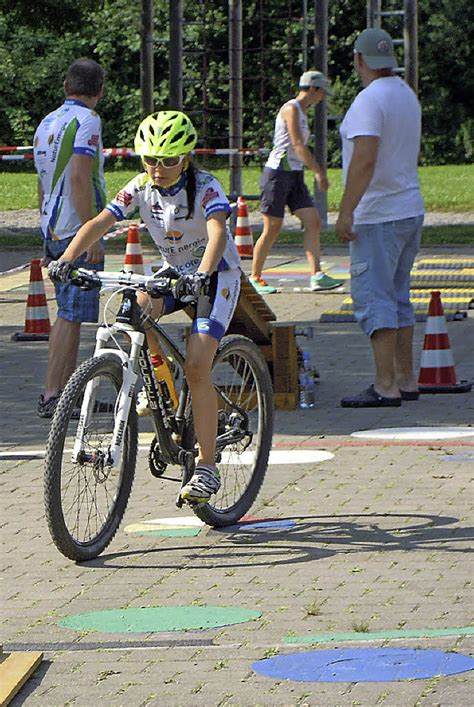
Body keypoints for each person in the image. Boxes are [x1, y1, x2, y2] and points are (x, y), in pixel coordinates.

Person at [48, 110, 241, 504]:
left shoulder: (204, 187)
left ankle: (206, 466)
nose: (158, 169)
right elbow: (100, 222)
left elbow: (218, 231)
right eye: (150, 159)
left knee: (198, 366)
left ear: (185, 158)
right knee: (132, 312)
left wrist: (202, 273)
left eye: (168, 160)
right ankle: (163, 387)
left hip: (214, 274)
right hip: (173, 272)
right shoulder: (141, 186)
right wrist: (67, 259)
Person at [336, 29, 425, 408]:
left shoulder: (368, 101)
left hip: (377, 214)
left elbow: (365, 158)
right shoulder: (406, 95)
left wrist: (346, 210)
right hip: (409, 208)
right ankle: (406, 379)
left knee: (376, 300)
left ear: (359, 60)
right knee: (399, 298)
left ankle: (385, 385)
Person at [34, 57, 106, 418]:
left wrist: (45, 229)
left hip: (53, 226)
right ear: (101, 91)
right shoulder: (88, 121)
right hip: (76, 230)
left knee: (67, 313)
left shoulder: (47, 121)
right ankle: (56, 394)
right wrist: (92, 232)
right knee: (70, 315)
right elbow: (80, 176)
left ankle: (62, 393)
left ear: (66, 86)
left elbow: (41, 182)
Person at [250, 70, 344, 295]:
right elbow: (298, 145)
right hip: (277, 173)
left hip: (294, 174)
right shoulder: (291, 108)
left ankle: (317, 275)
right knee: (272, 228)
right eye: (322, 92)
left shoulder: (303, 112)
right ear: (313, 89)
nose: (323, 97)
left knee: (313, 221)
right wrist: (319, 173)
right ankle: (255, 277)